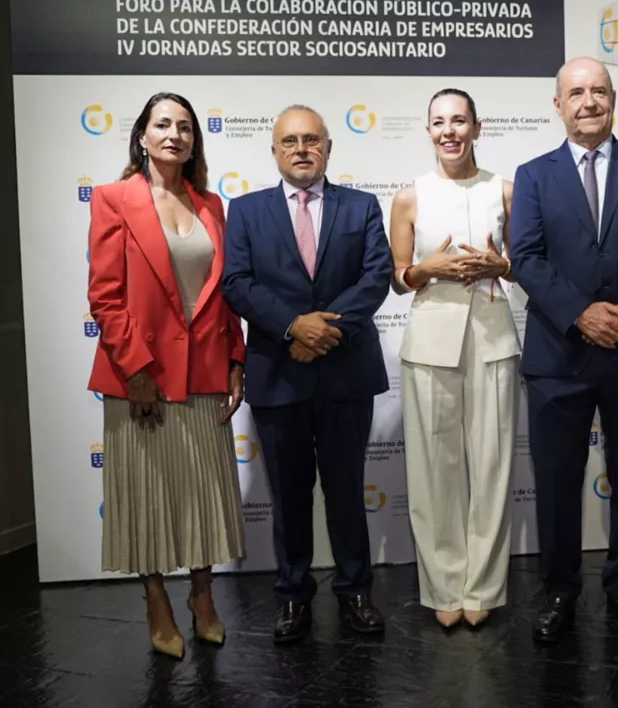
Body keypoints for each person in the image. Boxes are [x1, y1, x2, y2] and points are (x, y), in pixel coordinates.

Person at [509, 56, 618, 643]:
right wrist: (580, 313)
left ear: (614, 99)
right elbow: (525, 257)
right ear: (558, 105)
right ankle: (559, 587)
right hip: (559, 353)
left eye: (598, 91)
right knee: (556, 479)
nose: (588, 102)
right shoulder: (533, 175)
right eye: (576, 93)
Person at [221, 104, 392, 644]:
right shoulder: (245, 211)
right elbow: (237, 283)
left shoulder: (361, 206)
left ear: (327, 148)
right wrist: (294, 327)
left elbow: (376, 278)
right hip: (278, 374)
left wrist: (321, 333)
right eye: (290, 141)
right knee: (289, 495)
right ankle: (293, 595)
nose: (301, 149)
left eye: (312, 139)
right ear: (274, 151)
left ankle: (355, 590)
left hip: (345, 375)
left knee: (346, 492)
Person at [86, 91, 246, 658]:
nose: (174, 134)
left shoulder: (213, 206)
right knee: (147, 495)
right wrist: (136, 373)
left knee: (204, 492)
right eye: (162, 125)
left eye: (184, 126)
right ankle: (157, 601)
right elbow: (105, 297)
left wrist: (235, 359)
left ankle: (202, 597)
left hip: (203, 369)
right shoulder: (113, 199)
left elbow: (223, 294)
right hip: (140, 377)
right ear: (143, 137)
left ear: (194, 140)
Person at [389, 88, 521, 630]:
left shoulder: (507, 190)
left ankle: (483, 585)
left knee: (491, 467)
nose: (450, 131)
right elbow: (398, 278)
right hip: (430, 341)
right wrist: (429, 269)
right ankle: (444, 583)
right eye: (439, 122)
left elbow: (523, 264)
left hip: (492, 336)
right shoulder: (408, 197)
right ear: (428, 131)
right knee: (433, 469)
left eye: (459, 120)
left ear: (477, 127)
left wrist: (502, 265)